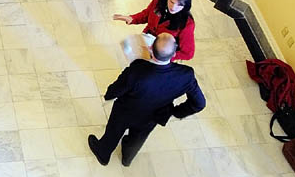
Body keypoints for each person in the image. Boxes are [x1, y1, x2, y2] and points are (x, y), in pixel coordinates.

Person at [87, 33, 206, 167]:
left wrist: (108, 95)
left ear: (150, 48)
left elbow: (114, 91)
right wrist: (175, 112)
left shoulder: (137, 70)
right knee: (138, 138)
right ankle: (127, 158)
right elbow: (200, 103)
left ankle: (103, 153)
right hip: (153, 116)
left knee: (114, 131)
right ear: (174, 55)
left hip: (125, 111)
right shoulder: (186, 75)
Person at [113, 0, 195, 61]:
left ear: (185, 6)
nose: (173, 7)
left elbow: (188, 53)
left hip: (161, 55)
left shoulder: (187, 23)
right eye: (171, 2)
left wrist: (164, 55)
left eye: (179, 5)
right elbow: (147, 14)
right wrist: (132, 18)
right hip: (146, 41)